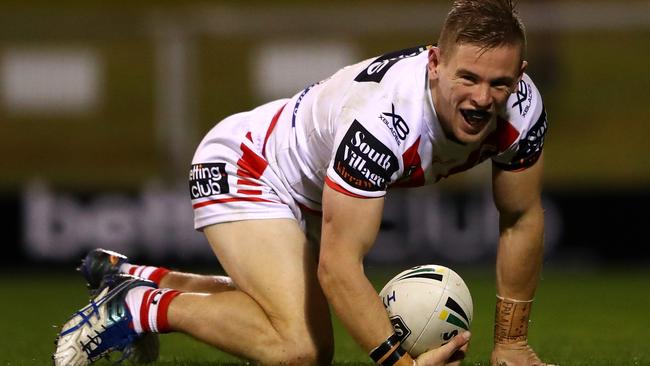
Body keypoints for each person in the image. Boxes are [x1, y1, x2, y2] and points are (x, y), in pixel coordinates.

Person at [53, 0, 550, 365]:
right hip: (250, 165)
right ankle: (141, 306)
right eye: (468, 78)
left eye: (500, 83)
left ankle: (144, 279)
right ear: (435, 63)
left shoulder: (523, 113)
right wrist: (399, 364)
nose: (483, 98)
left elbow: (521, 217)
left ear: (520, 75)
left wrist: (510, 343)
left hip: (312, 189)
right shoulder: (383, 121)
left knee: (294, 327)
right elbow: (339, 267)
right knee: (300, 350)